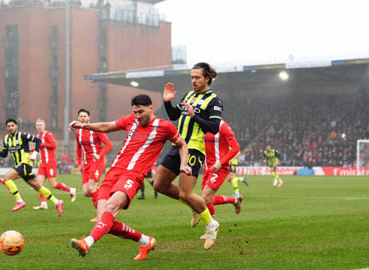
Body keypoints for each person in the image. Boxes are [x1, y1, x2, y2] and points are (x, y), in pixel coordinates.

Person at [69, 94, 190, 260]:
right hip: (113, 172)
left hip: (133, 175)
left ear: (151, 108)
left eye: (141, 112)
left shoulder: (165, 127)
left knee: (111, 207)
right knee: (104, 222)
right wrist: (84, 126)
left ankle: (87, 243)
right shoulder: (130, 120)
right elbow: (106, 126)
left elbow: (182, 144)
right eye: (135, 112)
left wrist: (184, 164)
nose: (138, 116)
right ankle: (146, 241)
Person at [153, 62, 223, 250]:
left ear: (207, 78)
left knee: (186, 193)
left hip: (194, 149)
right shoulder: (188, 95)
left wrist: (195, 117)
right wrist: (167, 102)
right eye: (191, 77)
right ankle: (195, 205)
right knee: (159, 185)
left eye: (197, 77)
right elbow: (175, 115)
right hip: (178, 145)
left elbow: (214, 128)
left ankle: (211, 224)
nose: (193, 80)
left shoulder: (214, 100)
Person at [0, 119, 64, 215]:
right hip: (19, 165)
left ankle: (19, 201)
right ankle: (56, 202)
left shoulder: (23, 136)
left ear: (16, 126)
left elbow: (38, 141)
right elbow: (5, 154)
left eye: (12, 125)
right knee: (37, 186)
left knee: (7, 178)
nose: (10, 127)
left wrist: (34, 154)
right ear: (6, 128)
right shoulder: (6, 139)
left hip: (25, 163)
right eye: (8, 126)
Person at [194, 119, 242, 237]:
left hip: (219, 167)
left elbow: (236, 149)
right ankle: (234, 200)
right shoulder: (200, 124)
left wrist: (221, 163)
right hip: (207, 167)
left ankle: (211, 228)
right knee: (207, 199)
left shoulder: (223, 126)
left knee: (204, 199)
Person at [75, 109, 112, 220]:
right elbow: (78, 147)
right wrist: (79, 162)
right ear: (78, 118)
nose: (82, 118)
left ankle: (99, 215)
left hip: (97, 161)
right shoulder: (78, 132)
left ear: (89, 118)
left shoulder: (95, 130)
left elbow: (109, 145)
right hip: (86, 164)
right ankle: (106, 193)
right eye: (80, 116)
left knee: (91, 188)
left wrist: (100, 155)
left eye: (85, 116)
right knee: (86, 192)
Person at [32, 119, 76, 210]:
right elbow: (40, 148)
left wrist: (43, 144)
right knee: (38, 185)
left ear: (44, 126)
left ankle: (71, 190)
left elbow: (54, 145)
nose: (39, 126)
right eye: (38, 125)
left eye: (41, 125)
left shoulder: (48, 134)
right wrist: (31, 150)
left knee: (53, 184)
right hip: (42, 163)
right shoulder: (37, 136)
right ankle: (43, 204)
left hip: (50, 162)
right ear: (36, 127)